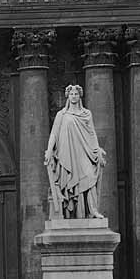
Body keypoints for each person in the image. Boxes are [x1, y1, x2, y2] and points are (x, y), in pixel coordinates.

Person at [45, 84, 106, 220]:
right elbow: (54, 134)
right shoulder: (61, 114)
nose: (74, 96)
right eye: (72, 94)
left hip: (84, 151)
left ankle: (93, 211)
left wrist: (97, 149)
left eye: (76, 94)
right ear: (68, 96)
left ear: (80, 96)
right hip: (66, 153)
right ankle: (71, 215)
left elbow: (92, 133)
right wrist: (49, 151)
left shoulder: (86, 114)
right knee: (69, 183)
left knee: (90, 178)